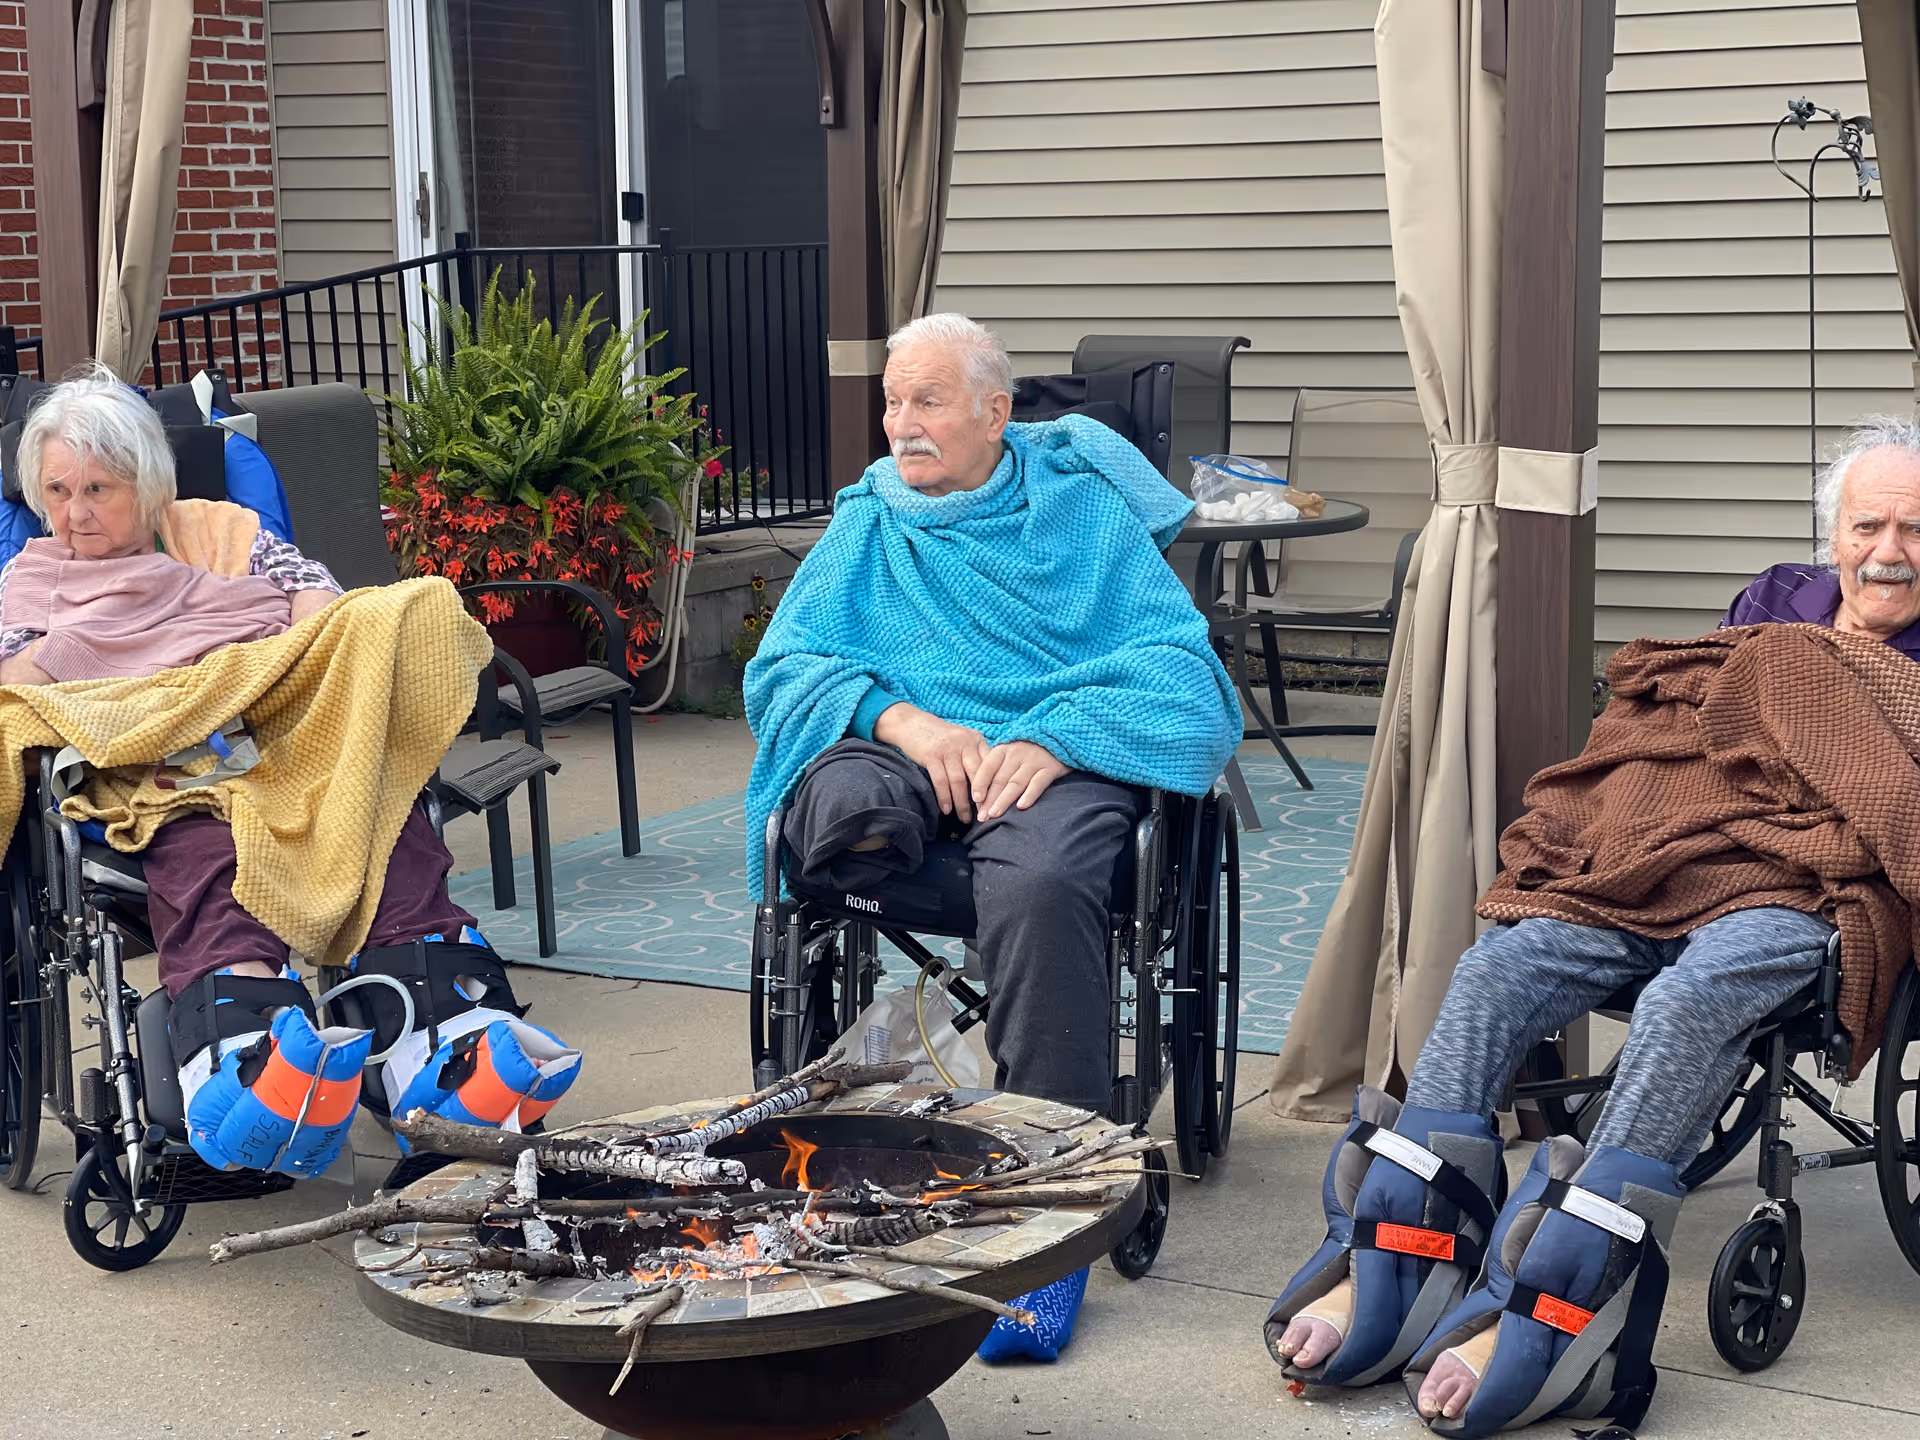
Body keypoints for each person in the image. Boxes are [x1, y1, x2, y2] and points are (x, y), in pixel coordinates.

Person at [1267, 416, 1920, 1437]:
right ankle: (1398, 1250)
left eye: (1917, 529)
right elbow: (1673, 722)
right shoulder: (1775, 600)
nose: (1889, 551)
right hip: (1662, 855)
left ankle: (1566, 1288)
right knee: (1501, 968)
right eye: (1868, 524)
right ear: (1832, 533)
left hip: (1806, 886)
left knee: (1691, 999)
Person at [744, 313, 1241, 1358]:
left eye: (926, 402)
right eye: (893, 401)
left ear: (995, 413)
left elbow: (1181, 674)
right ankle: (868, 1118)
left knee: (1041, 881)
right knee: (834, 812)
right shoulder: (868, 524)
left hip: (1050, 765)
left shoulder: (1081, 516)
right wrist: (910, 725)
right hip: (907, 765)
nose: (901, 425)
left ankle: (1046, 1218)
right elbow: (782, 671)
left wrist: (1057, 738)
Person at [2, 364, 581, 1179]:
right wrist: (144, 681)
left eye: (99, 488)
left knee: (381, 818)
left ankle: (448, 1038)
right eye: (57, 491)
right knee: (209, 852)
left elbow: (324, 605)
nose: (76, 513)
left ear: (148, 480)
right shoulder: (31, 579)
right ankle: (248, 1049)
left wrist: (246, 671)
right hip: (161, 774)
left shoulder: (220, 531)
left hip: (276, 742)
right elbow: (21, 691)